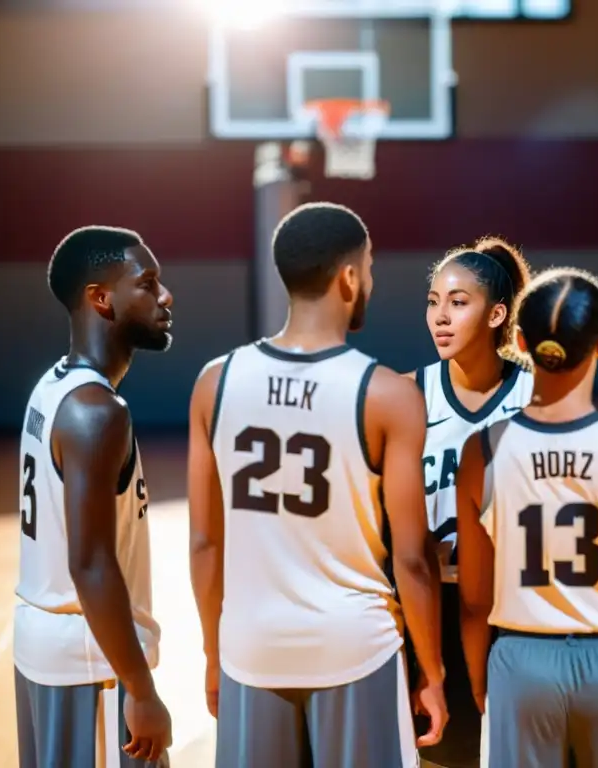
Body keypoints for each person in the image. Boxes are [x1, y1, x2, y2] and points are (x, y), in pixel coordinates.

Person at [187, 201, 447, 768]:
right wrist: (432, 671)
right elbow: (412, 558)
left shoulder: (215, 382)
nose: (371, 279)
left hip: (250, 650)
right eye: (370, 266)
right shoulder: (390, 395)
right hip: (355, 647)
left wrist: (213, 653)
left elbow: (206, 542)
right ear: (349, 277)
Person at [456, 267, 598, 767]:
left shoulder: (483, 453)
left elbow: (475, 601)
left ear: (518, 340)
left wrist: (482, 681)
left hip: (522, 662)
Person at [14, 225, 174, 767]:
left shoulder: (51, 387)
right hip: (94, 667)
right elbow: (91, 564)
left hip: (48, 650)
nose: (165, 296)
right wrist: (144, 691)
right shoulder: (97, 412)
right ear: (101, 298)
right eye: (148, 283)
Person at [406, 236, 533, 768]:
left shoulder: (536, 396)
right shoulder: (409, 395)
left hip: (518, 613)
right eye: (434, 301)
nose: (441, 316)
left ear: (496, 314)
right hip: (435, 613)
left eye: (458, 303)